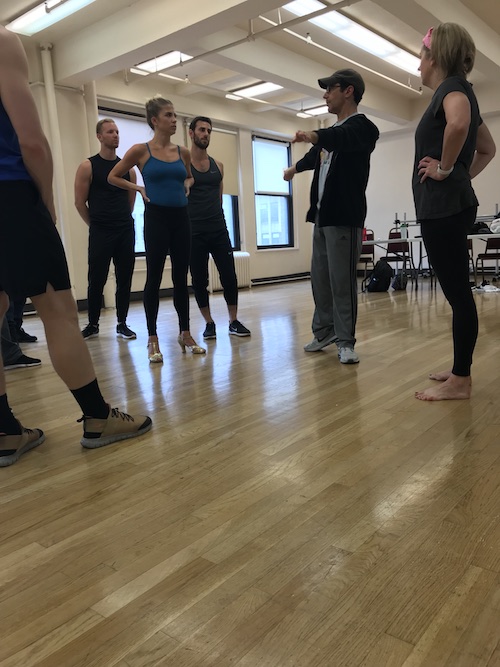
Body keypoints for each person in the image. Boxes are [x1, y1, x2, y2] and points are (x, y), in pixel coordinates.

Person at [0, 25, 152, 466]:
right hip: (9, 194)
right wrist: (44, 200)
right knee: (60, 312)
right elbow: (31, 140)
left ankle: (6, 432)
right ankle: (98, 417)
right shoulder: (3, 42)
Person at [413, 24, 495, 401]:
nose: (418, 62)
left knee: (458, 294)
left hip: (443, 209)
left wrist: (445, 170)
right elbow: (487, 148)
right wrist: (459, 175)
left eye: (421, 53)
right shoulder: (463, 91)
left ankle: (460, 380)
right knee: (457, 293)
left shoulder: (450, 88)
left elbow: (459, 123)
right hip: (451, 205)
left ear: (435, 56)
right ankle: (460, 367)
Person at [283, 69, 379, 364]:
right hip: (323, 217)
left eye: (330, 89)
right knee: (321, 280)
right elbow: (316, 155)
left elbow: (336, 138)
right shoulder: (333, 135)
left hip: (345, 217)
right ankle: (323, 331)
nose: (325, 95)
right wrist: (294, 168)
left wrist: (313, 134)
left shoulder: (363, 129)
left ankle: (346, 341)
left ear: (348, 91)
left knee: (341, 282)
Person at [108, 97, 205, 362]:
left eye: (175, 115)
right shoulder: (141, 151)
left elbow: (188, 175)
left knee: (180, 279)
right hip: (156, 219)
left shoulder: (183, 152)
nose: (174, 120)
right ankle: (152, 338)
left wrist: (187, 183)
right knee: (154, 278)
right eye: (169, 115)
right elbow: (113, 176)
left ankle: (185, 332)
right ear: (155, 120)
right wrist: (137, 187)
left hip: (181, 218)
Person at [187, 116, 250, 339]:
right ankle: (209, 323)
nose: (205, 134)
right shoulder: (183, 167)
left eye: (209, 131)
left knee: (229, 277)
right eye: (201, 130)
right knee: (199, 281)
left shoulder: (218, 166)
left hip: (218, 229)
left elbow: (219, 198)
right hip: (194, 232)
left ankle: (233, 321)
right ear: (191, 133)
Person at [74, 118, 137, 340]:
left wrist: (121, 222)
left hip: (124, 231)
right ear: (99, 137)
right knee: (97, 278)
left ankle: (122, 323)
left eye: (117, 131)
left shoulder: (128, 170)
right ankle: (92, 324)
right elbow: (80, 203)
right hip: (101, 231)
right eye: (110, 132)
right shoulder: (88, 166)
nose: (115, 135)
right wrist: (96, 225)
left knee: (124, 278)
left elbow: (131, 202)